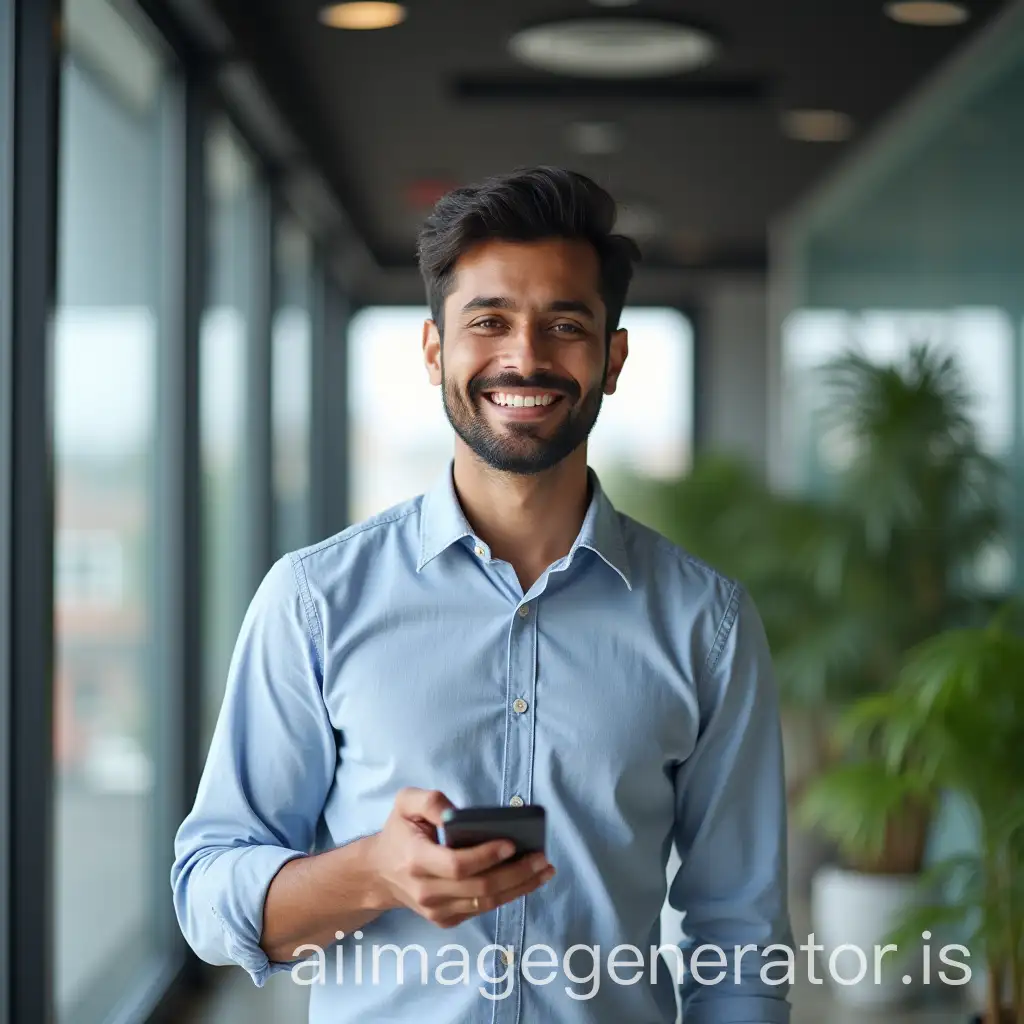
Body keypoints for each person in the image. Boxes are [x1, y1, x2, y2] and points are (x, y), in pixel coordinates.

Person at [172, 166, 792, 1023]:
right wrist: (373, 872)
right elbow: (208, 898)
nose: (525, 357)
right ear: (435, 351)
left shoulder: (706, 624)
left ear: (612, 359)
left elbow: (741, 941)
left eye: (565, 324)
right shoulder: (315, 601)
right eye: (488, 321)